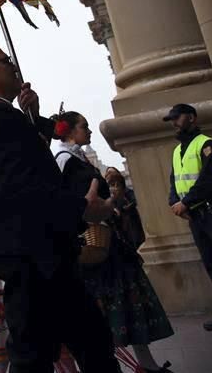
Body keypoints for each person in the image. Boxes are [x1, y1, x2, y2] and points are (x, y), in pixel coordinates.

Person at [0, 41, 118, 373]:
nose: (15, 65)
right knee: (41, 351)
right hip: (34, 255)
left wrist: (32, 115)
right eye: (6, 61)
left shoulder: (2, 114)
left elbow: (31, 161)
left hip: (39, 252)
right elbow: (23, 187)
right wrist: (82, 208)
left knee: (79, 342)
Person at [53, 111, 174, 372]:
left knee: (129, 304)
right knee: (109, 310)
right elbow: (79, 202)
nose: (89, 130)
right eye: (84, 126)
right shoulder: (66, 160)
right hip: (94, 244)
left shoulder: (75, 157)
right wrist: (104, 205)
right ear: (70, 130)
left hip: (106, 241)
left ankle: (146, 364)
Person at [164, 103, 212, 331]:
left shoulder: (207, 145)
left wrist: (185, 202)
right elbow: (174, 182)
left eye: (178, 118)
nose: (174, 123)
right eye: (172, 119)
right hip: (196, 216)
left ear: (192, 118)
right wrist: (175, 202)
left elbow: (209, 179)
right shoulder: (178, 151)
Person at [106, 169, 145, 251]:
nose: (115, 187)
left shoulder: (127, 193)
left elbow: (134, 201)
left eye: (116, 184)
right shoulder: (108, 196)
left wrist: (123, 209)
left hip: (131, 225)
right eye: (112, 184)